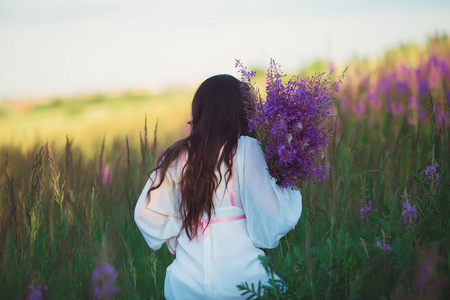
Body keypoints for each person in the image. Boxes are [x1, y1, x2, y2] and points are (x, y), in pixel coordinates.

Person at [134, 74, 302, 299]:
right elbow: (270, 211)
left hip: (187, 280)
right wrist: (286, 191)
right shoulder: (246, 148)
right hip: (242, 278)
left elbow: (145, 213)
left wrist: (180, 229)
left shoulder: (178, 154)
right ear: (243, 110)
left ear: (200, 111)